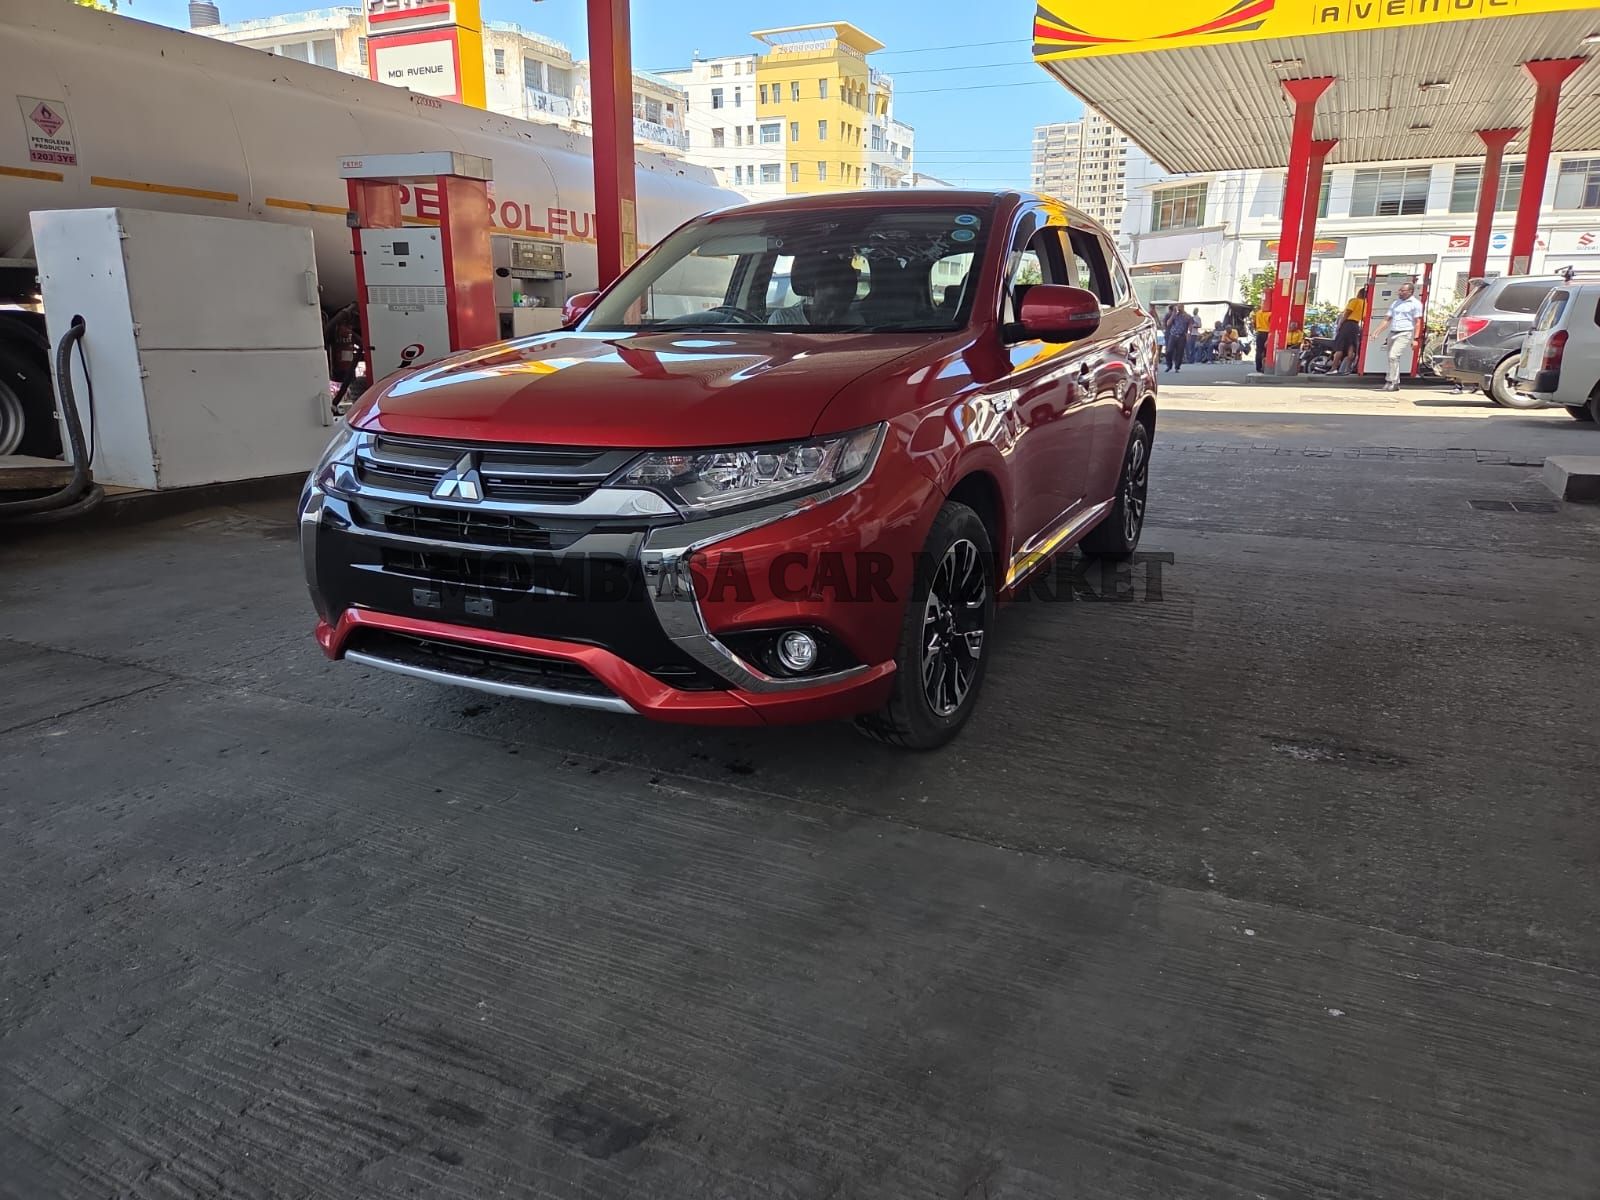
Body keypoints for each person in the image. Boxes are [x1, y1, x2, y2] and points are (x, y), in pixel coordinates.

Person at [768, 253, 860, 326]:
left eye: (842, 309)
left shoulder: (855, 323)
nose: (832, 315)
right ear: (812, 291)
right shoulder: (782, 321)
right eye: (827, 305)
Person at [1373, 281, 1425, 392]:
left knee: (1394, 356)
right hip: (1393, 332)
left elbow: (1418, 322)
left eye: (1402, 290)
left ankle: (1394, 382)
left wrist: (1416, 338)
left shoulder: (1416, 304)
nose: (1399, 292)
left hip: (1405, 332)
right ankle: (1389, 380)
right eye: (1399, 290)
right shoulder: (1396, 303)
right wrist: (1377, 331)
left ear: (1410, 291)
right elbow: (1387, 319)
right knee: (1390, 358)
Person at [1330, 286, 1366, 375]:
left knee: (1339, 346)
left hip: (1347, 324)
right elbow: (1364, 318)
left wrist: (1340, 323)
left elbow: (1348, 312)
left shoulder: (1354, 301)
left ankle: (1334, 368)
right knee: (1351, 347)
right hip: (1356, 325)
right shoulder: (1366, 304)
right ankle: (1347, 369)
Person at [1163, 304, 1196, 373]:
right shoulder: (1174, 315)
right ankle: (1169, 365)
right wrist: (1173, 314)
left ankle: (1177, 367)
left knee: (1180, 352)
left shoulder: (1188, 316)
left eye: (1180, 307)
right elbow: (1168, 323)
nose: (1179, 308)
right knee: (1169, 351)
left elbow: (1190, 325)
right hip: (1173, 335)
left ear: (1183, 307)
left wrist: (1189, 333)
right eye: (1178, 307)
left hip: (1182, 336)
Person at [1252, 303, 1272, 373]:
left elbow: (1254, 323)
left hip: (1259, 332)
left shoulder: (1258, 313)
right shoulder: (1270, 314)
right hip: (1267, 333)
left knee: (1259, 351)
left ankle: (1258, 367)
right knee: (1267, 351)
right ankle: (1265, 367)